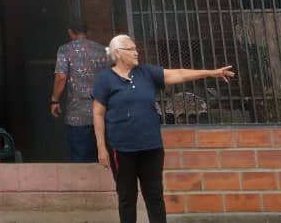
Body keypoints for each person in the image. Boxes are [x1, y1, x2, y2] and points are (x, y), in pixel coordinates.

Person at [91, 34, 235, 223]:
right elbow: (98, 113)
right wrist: (102, 148)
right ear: (118, 53)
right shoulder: (105, 79)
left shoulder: (147, 73)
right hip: (122, 148)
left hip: (151, 146)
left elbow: (179, 73)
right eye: (131, 49)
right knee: (127, 197)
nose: (136, 52)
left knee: (155, 196)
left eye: (136, 48)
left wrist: (210, 73)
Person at [50, 19, 110, 162]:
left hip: (77, 116)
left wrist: (54, 100)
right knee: (101, 158)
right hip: (102, 114)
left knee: (80, 160)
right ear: (88, 32)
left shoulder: (65, 50)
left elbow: (61, 77)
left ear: (70, 33)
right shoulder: (102, 50)